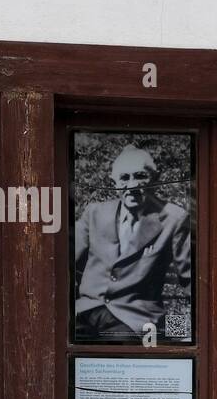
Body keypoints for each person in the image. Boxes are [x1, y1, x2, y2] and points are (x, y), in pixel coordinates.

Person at [74, 143, 192, 342]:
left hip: (134, 319)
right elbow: (63, 263)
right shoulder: (94, 213)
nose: (132, 186)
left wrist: (189, 332)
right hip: (85, 310)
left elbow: (192, 279)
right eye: (124, 178)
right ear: (114, 183)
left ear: (154, 179)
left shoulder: (173, 218)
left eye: (140, 176)